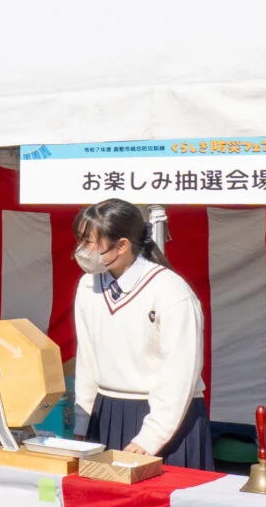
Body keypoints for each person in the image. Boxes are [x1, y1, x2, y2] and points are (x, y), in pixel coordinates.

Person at [71, 198, 211, 469]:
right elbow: (87, 357)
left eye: (90, 242)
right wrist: (83, 418)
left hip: (167, 418)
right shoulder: (88, 285)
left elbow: (180, 371)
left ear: (122, 245)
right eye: (81, 240)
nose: (82, 250)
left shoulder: (171, 290)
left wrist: (152, 436)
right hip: (106, 411)